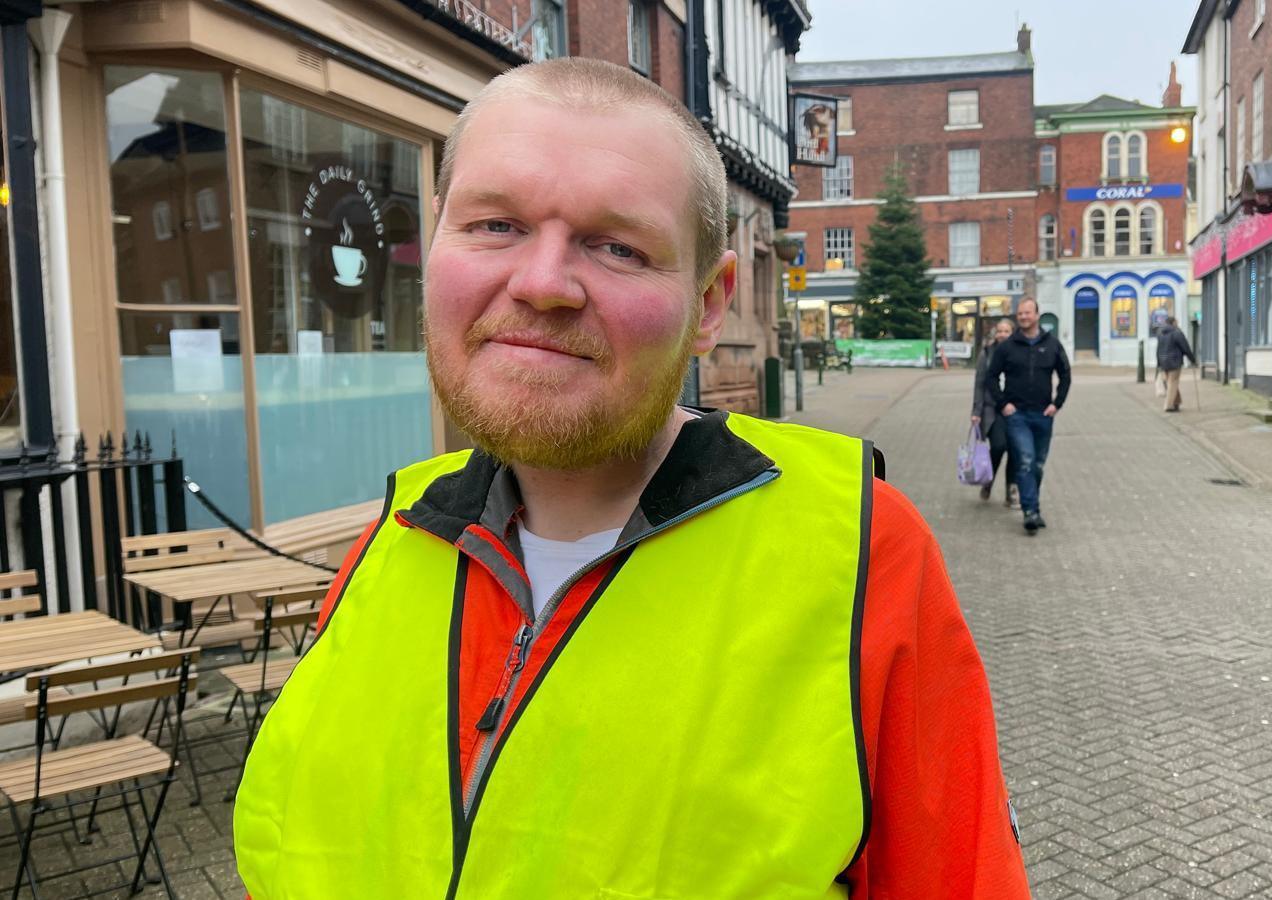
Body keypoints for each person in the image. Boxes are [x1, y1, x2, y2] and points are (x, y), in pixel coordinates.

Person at [233, 58, 1029, 899]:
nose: (541, 284)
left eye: (617, 246)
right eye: (495, 225)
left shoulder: (864, 556)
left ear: (710, 303)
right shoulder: (389, 543)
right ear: (433, 249)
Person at [985, 298, 1070, 535]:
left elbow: (1065, 374)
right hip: (1017, 415)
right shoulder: (1007, 347)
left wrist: (1057, 403)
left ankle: (1034, 506)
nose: (1023, 316)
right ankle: (1030, 511)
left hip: (1044, 414)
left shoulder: (1052, 344)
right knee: (1025, 460)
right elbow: (991, 377)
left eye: (1027, 313)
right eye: (1020, 313)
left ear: (1037, 315)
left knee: (1038, 465)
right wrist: (1003, 404)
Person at [971, 318, 1019, 506]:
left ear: (1013, 333)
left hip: (1014, 409)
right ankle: (988, 481)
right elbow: (980, 383)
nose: (1002, 335)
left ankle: (1011, 490)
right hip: (992, 410)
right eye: (999, 331)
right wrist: (976, 410)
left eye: (1006, 331)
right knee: (998, 446)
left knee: (1015, 449)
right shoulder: (987, 353)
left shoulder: (1018, 351)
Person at [1154, 310, 1197, 412]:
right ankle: (1169, 406)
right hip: (1174, 361)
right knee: (1173, 383)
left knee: (1170, 382)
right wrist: (1193, 360)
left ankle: (1176, 402)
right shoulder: (1177, 333)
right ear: (1173, 323)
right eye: (1176, 322)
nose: (1177, 324)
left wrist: (1159, 363)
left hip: (1164, 361)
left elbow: (1158, 349)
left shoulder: (1161, 333)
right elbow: (1185, 347)